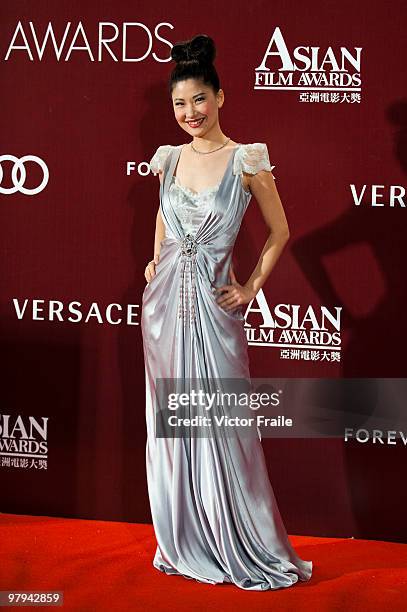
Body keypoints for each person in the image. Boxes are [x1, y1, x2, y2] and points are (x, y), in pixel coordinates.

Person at [141, 33, 313, 591]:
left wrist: (253, 286)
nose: (189, 113)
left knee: (224, 426)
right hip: (164, 311)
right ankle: (184, 534)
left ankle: (240, 539)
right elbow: (165, 219)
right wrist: (154, 260)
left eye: (199, 99)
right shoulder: (168, 160)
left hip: (216, 314)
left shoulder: (246, 160)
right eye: (179, 103)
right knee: (173, 429)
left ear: (221, 96)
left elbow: (280, 230)